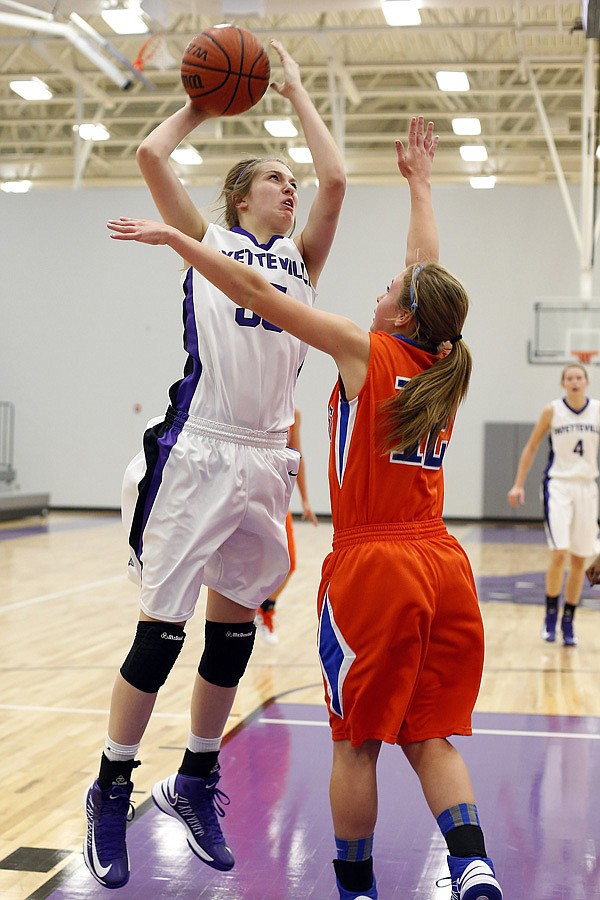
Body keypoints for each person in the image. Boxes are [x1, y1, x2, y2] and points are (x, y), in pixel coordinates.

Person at [107, 115, 502, 900]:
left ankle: (355, 889)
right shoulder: (438, 365)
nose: (382, 285)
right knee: (429, 733)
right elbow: (427, 273)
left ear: (400, 317)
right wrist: (421, 186)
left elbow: (255, 290)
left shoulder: (366, 347)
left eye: (390, 289)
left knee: (356, 743)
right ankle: (472, 863)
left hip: (377, 566)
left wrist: (180, 244)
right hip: (444, 566)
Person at [83, 38, 345, 890]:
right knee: (160, 634)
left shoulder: (301, 263)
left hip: (266, 459)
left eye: (289, 179)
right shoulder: (204, 237)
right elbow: (150, 153)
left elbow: (336, 181)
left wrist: (298, 89)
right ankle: (111, 785)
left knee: (231, 637)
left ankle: (195, 777)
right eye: (274, 177)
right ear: (238, 196)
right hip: (198, 450)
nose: (290, 184)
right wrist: (205, 100)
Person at [507, 363, 600, 647]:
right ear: (563, 383)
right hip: (558, 485)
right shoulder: (552, 411)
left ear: (586, 381)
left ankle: (568, 621)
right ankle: (550, 615)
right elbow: (532, 446)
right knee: (559, 553)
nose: (574, 381)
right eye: (569, 378)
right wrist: (518, 483)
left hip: (587, 487)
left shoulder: (597, 409)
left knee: (578, 559)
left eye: (579, 377)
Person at [256, 406, 318, 643]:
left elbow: (297, 455)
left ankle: (266, 607)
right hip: (252, 496)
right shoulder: (256, 405)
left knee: (289, 563)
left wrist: (305, 500)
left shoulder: (294, 414)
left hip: (279, 501)